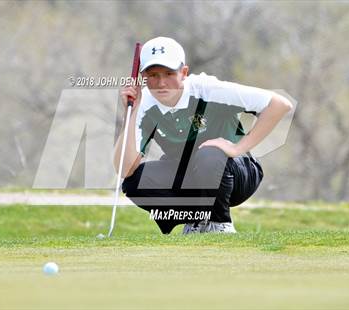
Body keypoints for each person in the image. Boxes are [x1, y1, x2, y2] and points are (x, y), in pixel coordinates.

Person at [113, 37, 292, 235]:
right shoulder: (144, 103)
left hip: (237, 173)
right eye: (153, 75)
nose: (161, 82)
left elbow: (280, 104)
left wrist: (236, 148)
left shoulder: (208, 89)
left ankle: (220, 224)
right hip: (192, 177)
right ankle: (197, 220)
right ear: (143, 77)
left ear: (184, 72)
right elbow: (125, 168)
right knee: (135, 182)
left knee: (210, 154)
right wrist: (132, 111)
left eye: (169, 73)